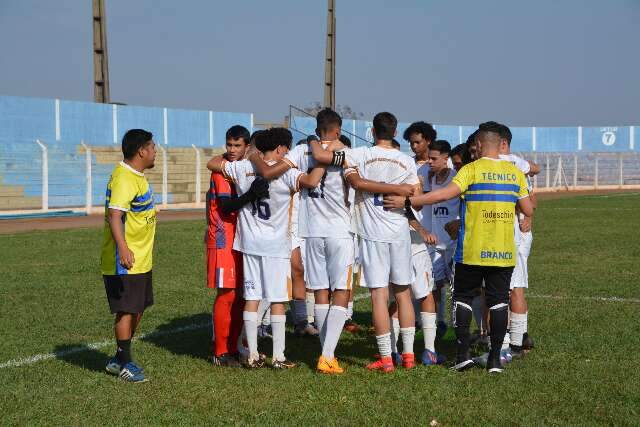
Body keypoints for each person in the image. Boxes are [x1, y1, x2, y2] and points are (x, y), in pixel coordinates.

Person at [384, 121, 533, 374]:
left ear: (478, 144)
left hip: (472, 249)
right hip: (503, 251)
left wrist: (409, 200)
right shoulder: (514, 173)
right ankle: (496, 359)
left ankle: (462, 356)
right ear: (500, 145)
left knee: (462, 298)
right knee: (498, 302)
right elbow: (528, 209)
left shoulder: (471, 170)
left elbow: (443, 195)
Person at [209, 128, 327, 369]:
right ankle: (278, 357)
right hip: (275, 244)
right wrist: (323, 159)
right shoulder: (288, 172)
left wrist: (252, 157)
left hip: (248, 243)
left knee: (251, 297)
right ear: (282, 148)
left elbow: (213, 163)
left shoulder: (241, 168)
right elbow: (313, 181)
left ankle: (251, 355)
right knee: (277, 301)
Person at [340, 112, 419, 372]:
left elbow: (354, 182)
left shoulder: (359, 154)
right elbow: (414, 195)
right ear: (395, 133)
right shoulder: (407, 160)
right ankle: (408, 356)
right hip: (399, 232)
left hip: (372, 234)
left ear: (372, 131)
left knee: (378, 296)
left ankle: (386, 359)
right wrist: (398, 190)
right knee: (404, 293)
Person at [205, 125, 267, 367]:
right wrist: (252, 194)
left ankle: (233, 347)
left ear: (247, 146)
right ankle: (220, 352)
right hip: (222, 239)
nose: (231, 150)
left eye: (237, 145)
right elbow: (227, 207)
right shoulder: (222, 170)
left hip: (240, 238)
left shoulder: (242, 167)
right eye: (229, 145)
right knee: (227, 293)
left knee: (242, 294)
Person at [102, 129, 157, 383]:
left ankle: (118, 359)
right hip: (125, 261)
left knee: (137, 309)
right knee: (126, 311)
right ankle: (125, 363)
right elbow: (115, 215)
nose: (155, 151)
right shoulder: (124, 178)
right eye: (153, 147)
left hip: (141, 259)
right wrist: (123, 248)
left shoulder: (137, 176)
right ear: (141, 151)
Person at [496, 123, 539, 357]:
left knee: (513, 287)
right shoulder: (519, 165)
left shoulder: (511, 162)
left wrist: (526, 216)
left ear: (502, 143)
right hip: (517, 230)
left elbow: (530, 201)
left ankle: (516, 339)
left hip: (515, 232)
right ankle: (516, 336)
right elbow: (533, 191)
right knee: (513, 286)